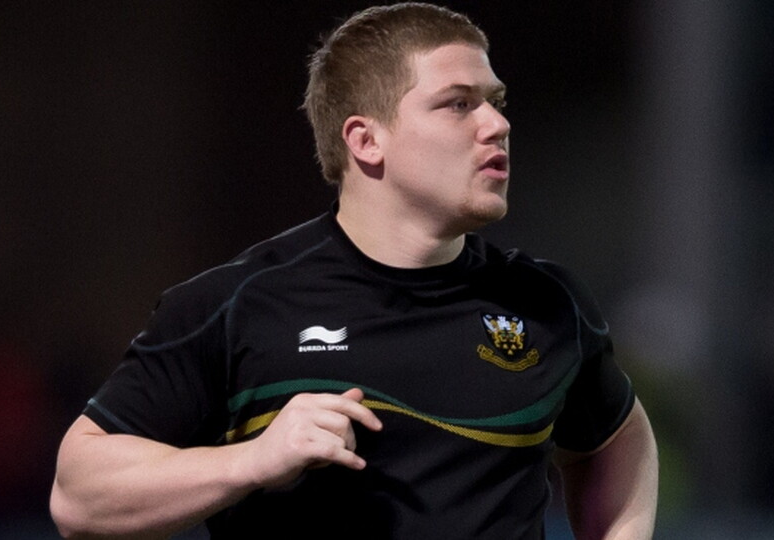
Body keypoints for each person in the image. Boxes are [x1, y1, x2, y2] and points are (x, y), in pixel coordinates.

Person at [50, 3, 658, 538]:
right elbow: (78, 497)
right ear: (367, 141)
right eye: (458, 104)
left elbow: (617, 440)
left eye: (495, 103)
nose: (497, 125)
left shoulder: (546, 305)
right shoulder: (240, 305)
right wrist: (251, 460)